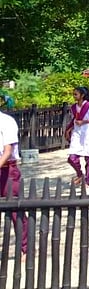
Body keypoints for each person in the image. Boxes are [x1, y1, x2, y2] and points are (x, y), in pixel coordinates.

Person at [0, 109, 27, 254]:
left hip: (7, 169)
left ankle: (25, 248)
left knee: (16, 210)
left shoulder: (6, 121)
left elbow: (8, 151)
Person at [65, 86, 89, 186]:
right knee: (72, 157)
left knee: (88, 158)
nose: (74, 96)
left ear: (82, 95)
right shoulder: (73, 107)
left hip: (87, 132)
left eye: (76, 94)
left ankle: (88, 180)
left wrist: (84, 121)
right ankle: (80, 175)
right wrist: (68, 130)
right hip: (77, 133)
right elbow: (74, 119)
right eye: (73, 94)